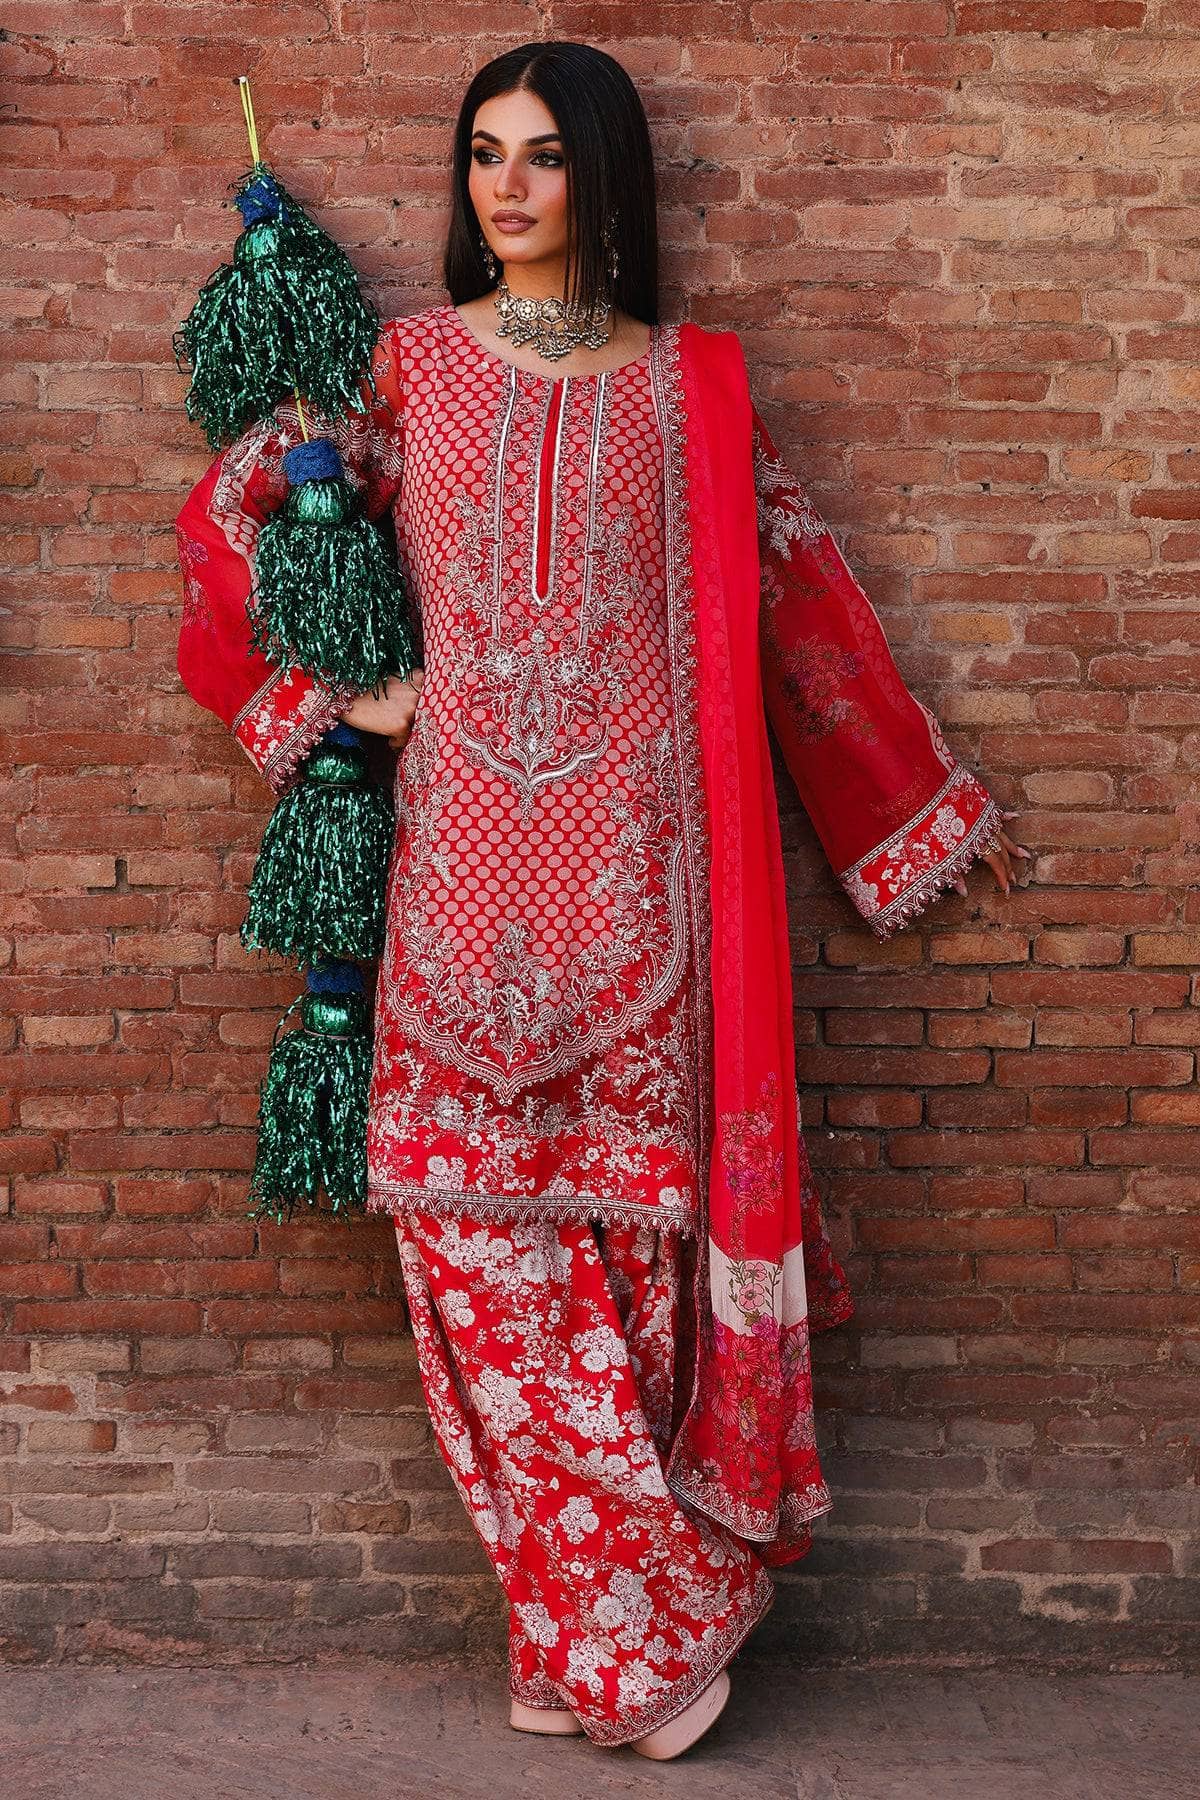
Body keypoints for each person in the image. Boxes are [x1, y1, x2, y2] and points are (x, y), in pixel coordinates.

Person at [174, 40, 1028, 1760]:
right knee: (471, 1253)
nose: (507, 185)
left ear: (605, 178)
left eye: (545, 155)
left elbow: (795, 600)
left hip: (645, 898)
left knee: (632, 1286)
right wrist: (345, 702)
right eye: (484, 153)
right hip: (452, 879)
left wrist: (907, 804)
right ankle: (651, 1631)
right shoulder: (402, 372)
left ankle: (565, 1637)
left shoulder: (689, 390)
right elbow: (243, 514)